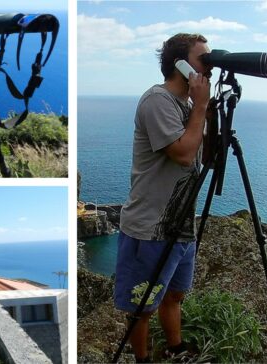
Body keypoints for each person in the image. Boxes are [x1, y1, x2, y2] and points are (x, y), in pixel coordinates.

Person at [116, 33, 212, 362]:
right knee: (142, 305)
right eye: (204, 60)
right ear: (180, 66)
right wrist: (200, 107)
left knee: (174, 295)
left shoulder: (187, 106)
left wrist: (207, 112)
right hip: (150, 227)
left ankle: (174, 349)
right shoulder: (157, 101)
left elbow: (207, 154)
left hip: (180, 226)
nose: (209, 67)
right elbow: (184, 154)